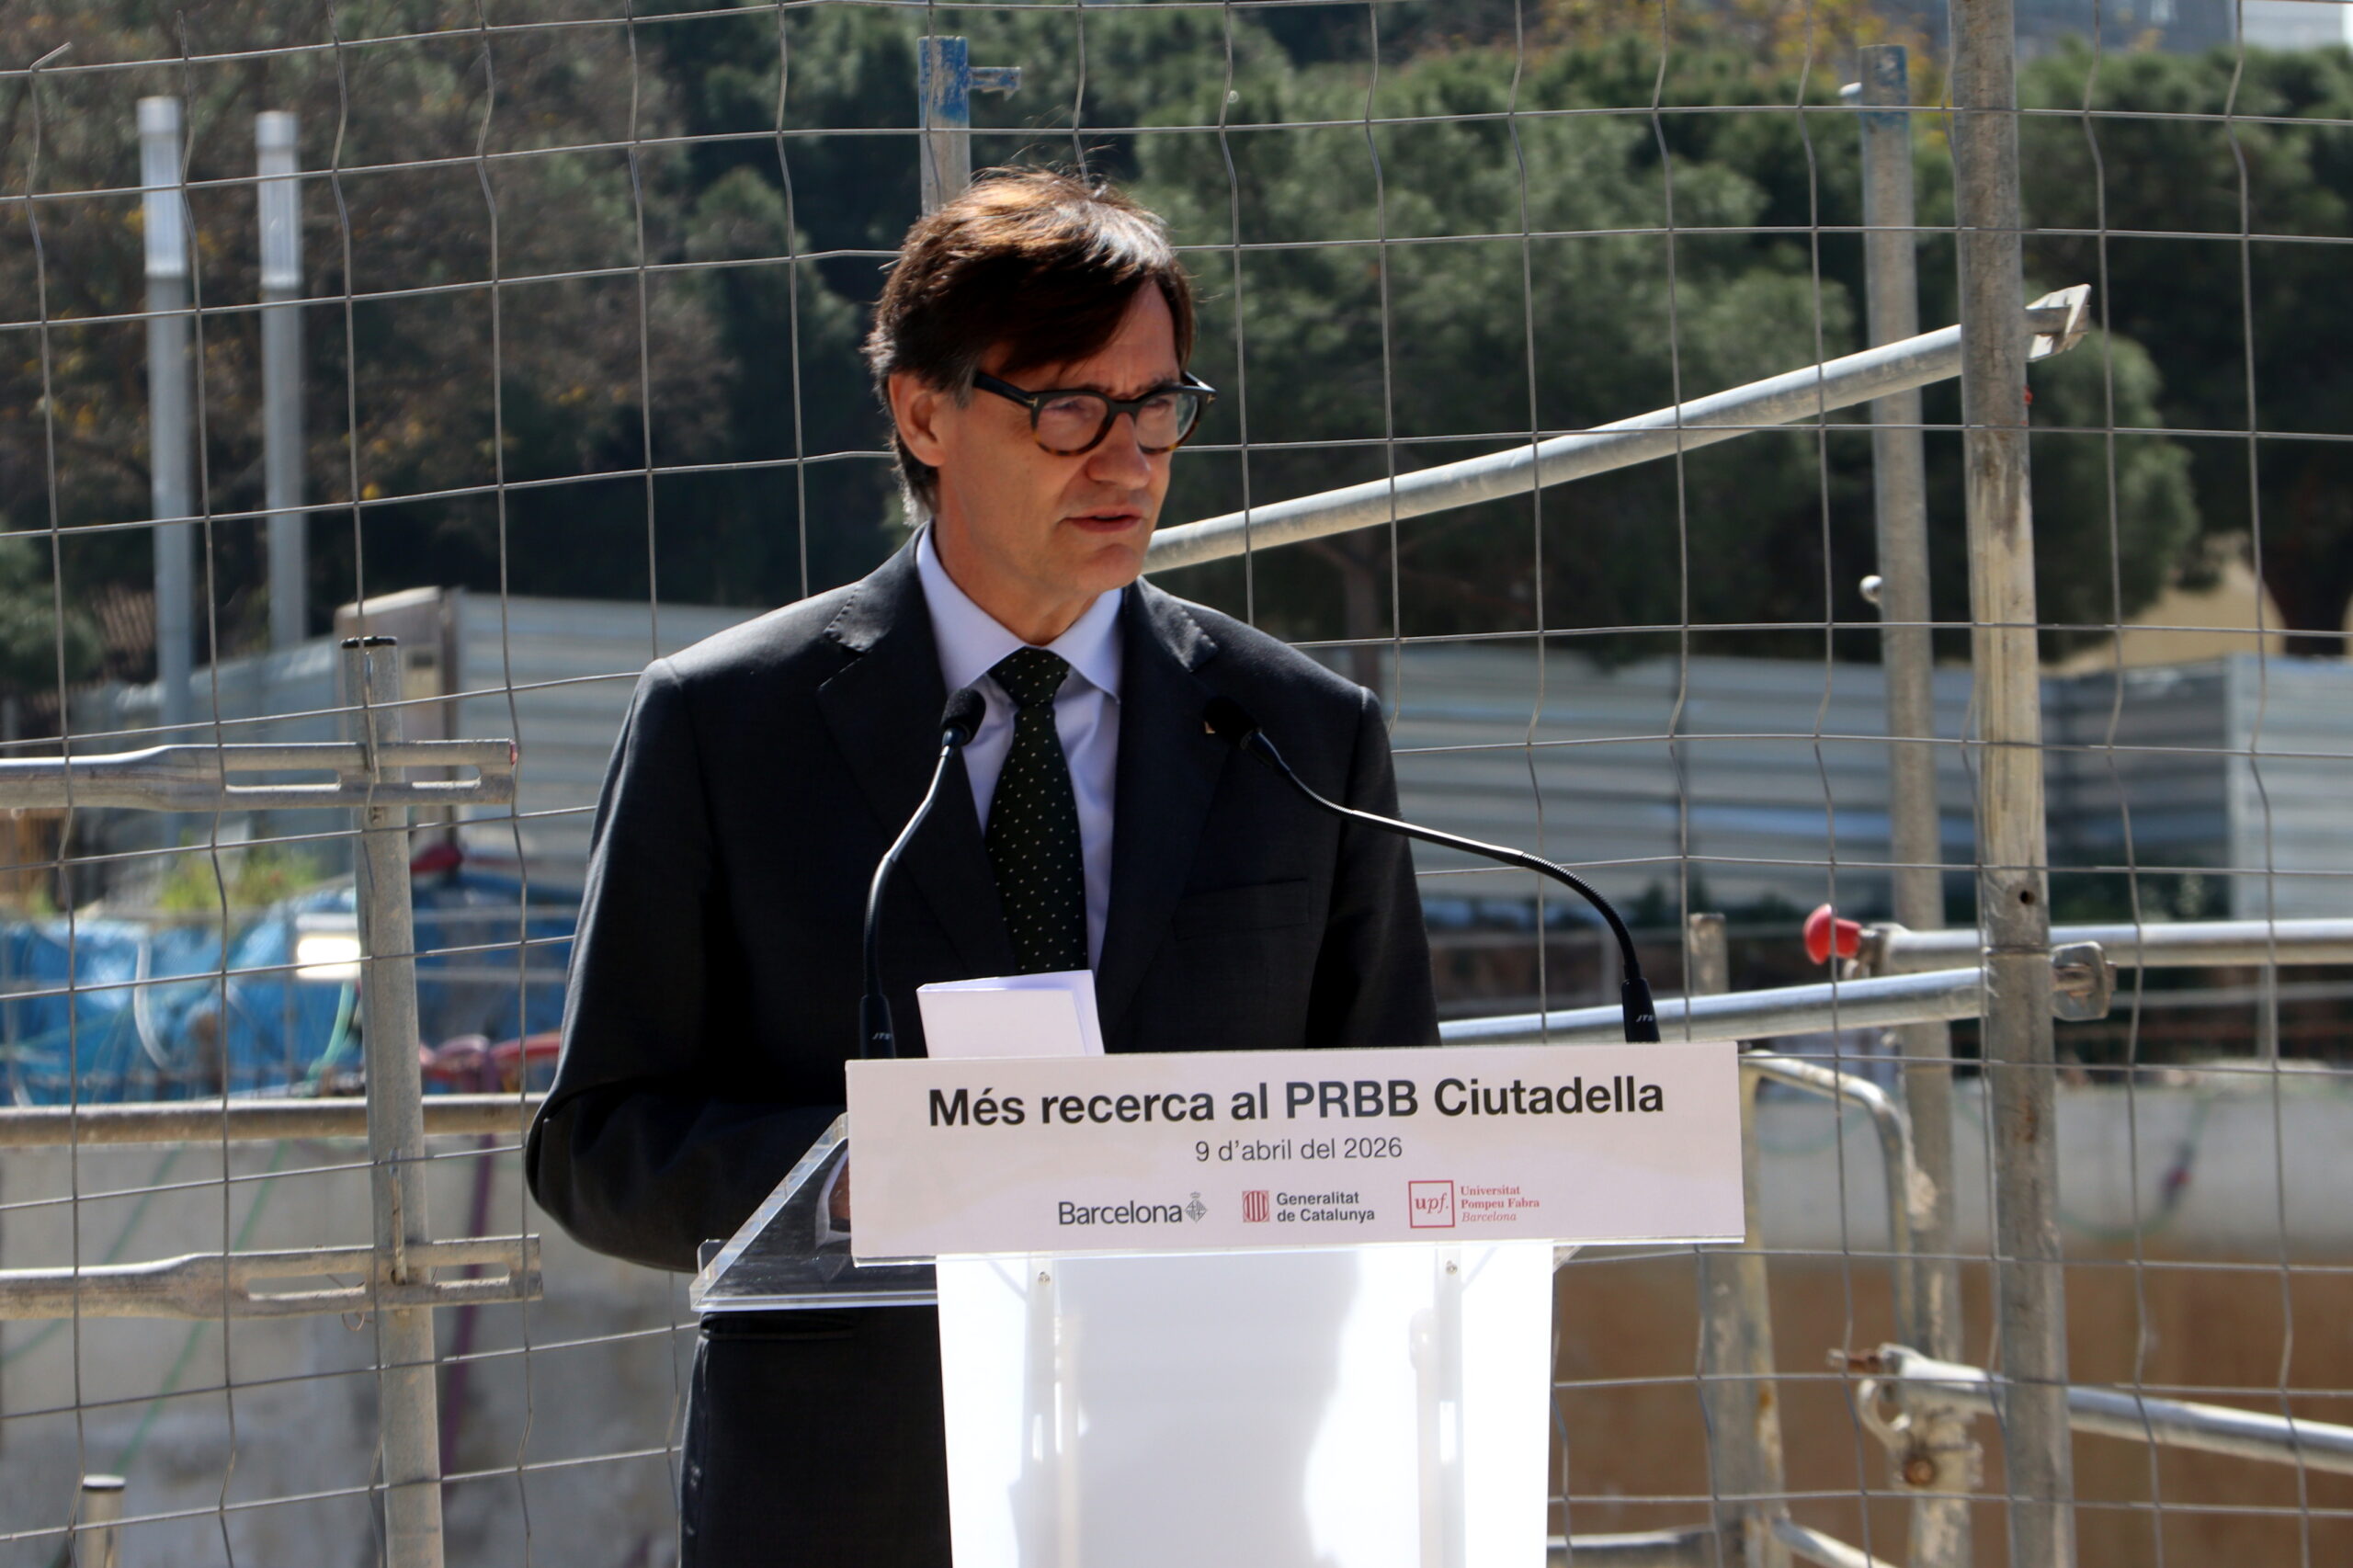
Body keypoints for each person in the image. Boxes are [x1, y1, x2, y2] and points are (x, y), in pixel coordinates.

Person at [525, 168, 1438, 1568]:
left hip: (1217, 1489)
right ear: (924, 414)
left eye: (1157, 408)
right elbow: (596, 1149)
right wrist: (864, 1177)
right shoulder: (725, 725)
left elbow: (1395, 1126)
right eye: (1068, 408)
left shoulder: (1304, 734)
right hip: (854, 1504)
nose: (1127, 461)